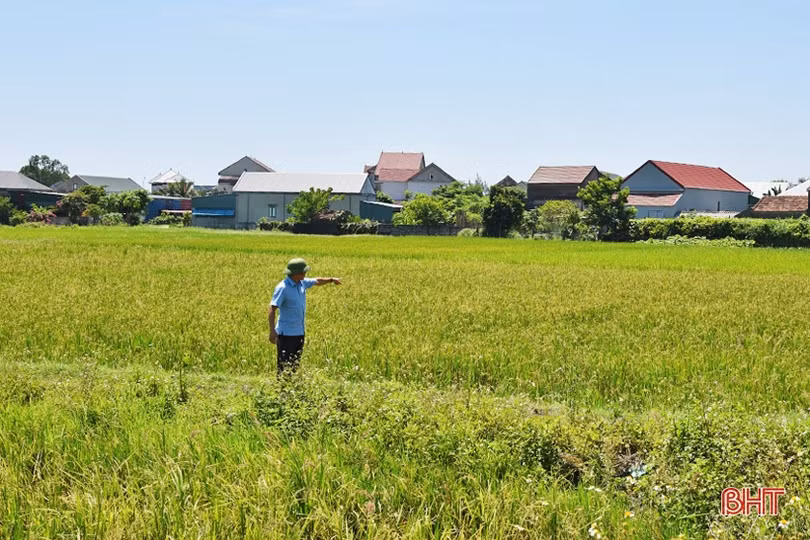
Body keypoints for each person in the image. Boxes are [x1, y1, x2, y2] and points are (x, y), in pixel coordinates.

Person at [268, 258, 341, 375]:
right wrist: (272, 331)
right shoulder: (283, 288)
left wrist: (331, 280)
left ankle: (292, 390)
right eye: (303, 271)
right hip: (286, 334)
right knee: (284, 366)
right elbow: (272, 308)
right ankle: (282, 391)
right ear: (296, 273)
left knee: (295, 365)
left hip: (299, 332)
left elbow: (317, 281)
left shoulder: (301, 283)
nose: (305, 274)